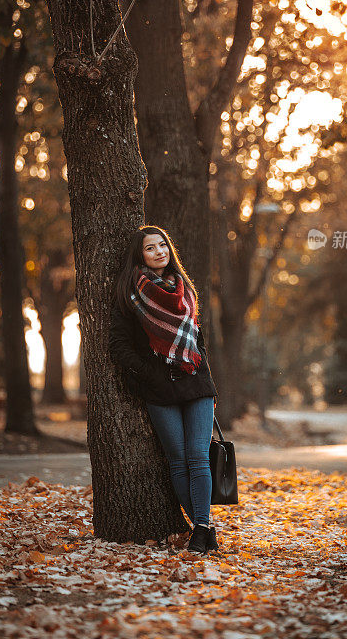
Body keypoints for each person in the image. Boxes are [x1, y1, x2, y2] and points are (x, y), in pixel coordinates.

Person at [108, 225, 219, 555]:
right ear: (139, 255)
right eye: (150, 248)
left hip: (196, 384)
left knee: (198, 458)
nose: (159, 252)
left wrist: (209, 385)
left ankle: (201, 528)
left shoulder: (185, 290)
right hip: (160, 390)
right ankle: (205, 528)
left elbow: (198, 341)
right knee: (178, 461)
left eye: (162, 245)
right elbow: (118, 346)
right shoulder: (130, 294)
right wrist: (150, 373)